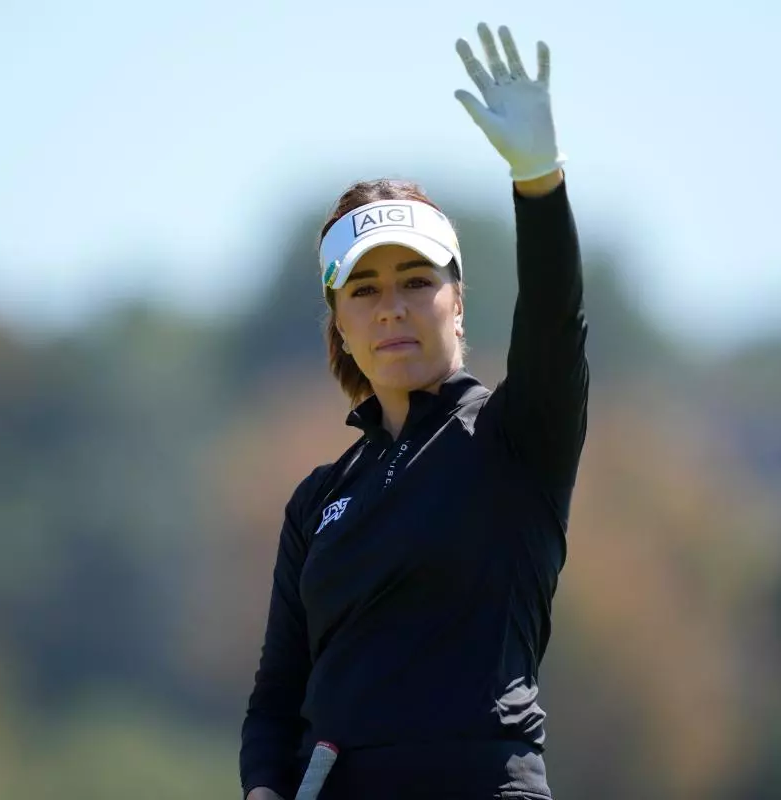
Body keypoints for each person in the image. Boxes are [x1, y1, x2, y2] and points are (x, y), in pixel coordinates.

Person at [240, 21, 588, 800]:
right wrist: (265, 789)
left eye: (415, 282)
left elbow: (556, 327)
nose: (392, 308)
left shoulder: (515, 438)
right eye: (365, 290)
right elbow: (275, 700)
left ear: (457, 302)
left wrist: (539, 184)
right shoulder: (318, 501)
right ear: (340, 325)